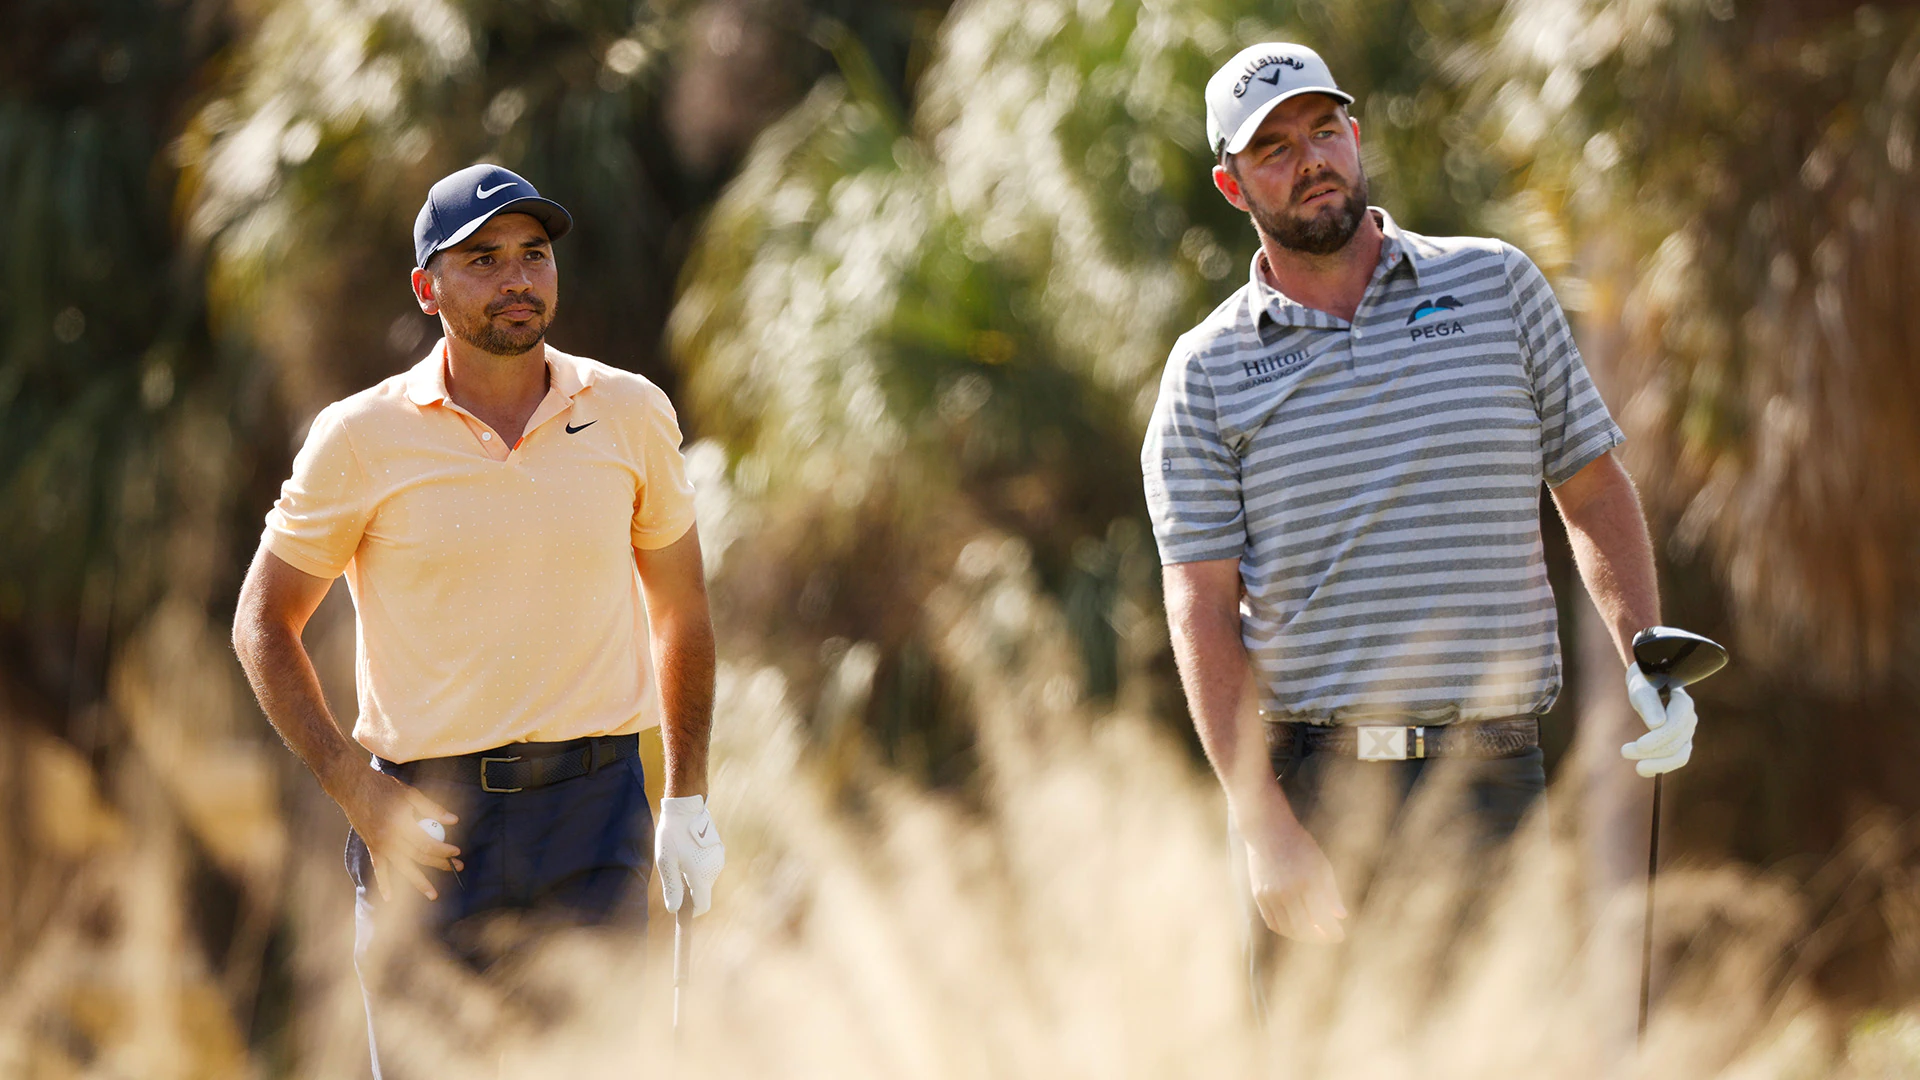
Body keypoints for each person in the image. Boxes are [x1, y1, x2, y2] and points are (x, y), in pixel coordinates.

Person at [1142, 43, 1702, 1007]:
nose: (1310, 158)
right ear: (1233, 187)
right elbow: (1200, 607)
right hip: (1318, 790)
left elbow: (1594, 489)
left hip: (1494, 776)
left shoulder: (1497, 287)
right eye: (1273, 148)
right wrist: (1263, 823)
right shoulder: (1207, 372)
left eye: (1324, 129)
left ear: (1355, 135)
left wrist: (1645, 655)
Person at [231, 164, 725, 1073]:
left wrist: (686, 797)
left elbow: (681, 610)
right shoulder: (360, 437)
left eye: (533, 255)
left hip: (594, 815)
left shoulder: (628, 412)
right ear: (428, 287)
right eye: (484, 259)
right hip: (430, 831)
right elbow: (263, 621)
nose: (517, 280)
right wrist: (351, 783)